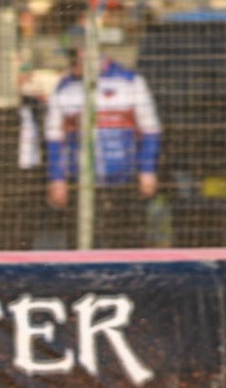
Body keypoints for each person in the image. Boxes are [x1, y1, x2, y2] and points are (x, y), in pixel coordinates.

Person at [42, 39, 164, 250]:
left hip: (124, 181)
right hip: (81, 183)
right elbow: (54, 137)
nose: (79, 56)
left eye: (84, 49)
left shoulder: (130, 81)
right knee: (81, 243)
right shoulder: (64, 87)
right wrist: (57, 178)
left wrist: (147, 170)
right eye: (75, 52)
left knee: (125, 242)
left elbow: (150, 129)